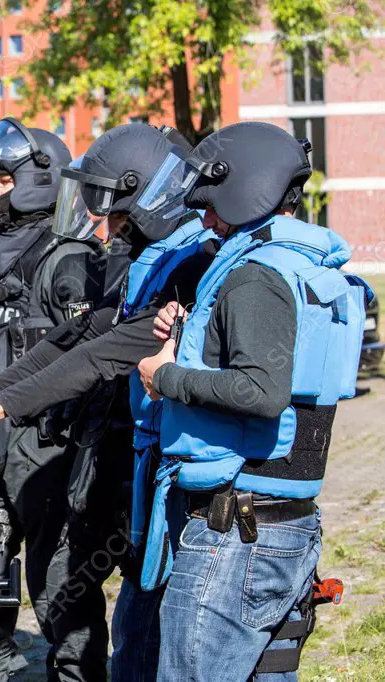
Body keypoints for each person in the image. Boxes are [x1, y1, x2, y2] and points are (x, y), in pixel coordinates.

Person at [0, 123, 221, 681]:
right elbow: (83, 333)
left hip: (176, 478)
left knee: (156, 635)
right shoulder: (151, 258)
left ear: (147, 201)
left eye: (115, 210)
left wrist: (8, 406)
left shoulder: (193, 263)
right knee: (117, 619)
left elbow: (105, 354)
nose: (105, 225)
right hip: (131, 466)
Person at [136, 121, 368, 681]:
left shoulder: (255, 276)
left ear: (245, 190)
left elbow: (261, 391)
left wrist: (165, 377)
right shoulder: (306, 269)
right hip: (281, 529)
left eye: (212, 206)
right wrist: (195, 327)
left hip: (234, 539)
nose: (206, 221)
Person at [0, 119, 109, 681]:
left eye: (0, 178)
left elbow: (96, 357)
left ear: (36, 179)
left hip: (49, 453)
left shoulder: (69, 259)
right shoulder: (4, 254)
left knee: (58, 588)